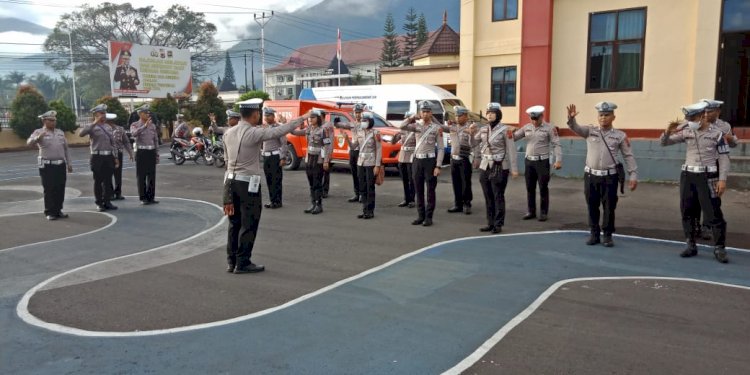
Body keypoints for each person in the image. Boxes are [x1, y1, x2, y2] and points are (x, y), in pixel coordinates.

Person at [222, 98, 307, 273]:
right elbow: (282, 130)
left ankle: (231, 261)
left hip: (230, 181)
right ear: (254, 115)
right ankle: (243, 262)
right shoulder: (254, 133)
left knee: (234, 223)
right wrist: (303, 117)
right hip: (247, 183)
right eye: (259, 114)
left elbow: (225, 160)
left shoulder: (228, 133)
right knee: (249, 222)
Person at [661, 102, 730, 263]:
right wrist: (667, 132)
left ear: (701, 116)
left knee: (713, 212)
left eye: (692, 118)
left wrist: (722, 179)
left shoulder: (717, 134)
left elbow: (724, 158)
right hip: (688, 175)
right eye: (688, 118)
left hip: (708, 176)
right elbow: (664, 143)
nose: (689, 121)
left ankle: (719, 248)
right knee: (687, 210)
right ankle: (691, 244)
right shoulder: (687, 132)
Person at [566, 102, 638, 247]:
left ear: (613, 117)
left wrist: (633, 175)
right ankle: (594, 233)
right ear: (597, 117)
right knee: (592, 205)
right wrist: (571, 118)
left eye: (606, 115)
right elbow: (575, 128)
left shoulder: (620, 136)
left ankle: (607, 235)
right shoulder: (590, 131)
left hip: (609, 177)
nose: (603, 118)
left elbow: (628, 156)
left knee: (609, 207)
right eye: (601, 115)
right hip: (591, 176)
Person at [471, 102, 517, 234]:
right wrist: (471, 134)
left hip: (499, 166)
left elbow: (511, 150)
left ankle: (498, 223)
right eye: (488, 113)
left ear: (498, 115)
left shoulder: (505, 130)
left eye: (492, 113)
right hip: (485, 166)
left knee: (498, 195)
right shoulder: (483, 129)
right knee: (488, 195)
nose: (490, 115)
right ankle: (490, 222)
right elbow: (474, 143)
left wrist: (514, 169)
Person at [398, 101, 445, 227]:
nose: (425, 114)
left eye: (427, 111)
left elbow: (441, 148)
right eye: (423, 111)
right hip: (417, 160)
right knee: (418, 190)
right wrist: (412, 117)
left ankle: (429, 217)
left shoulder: (436, 128)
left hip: (430, 161)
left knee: (430, 190)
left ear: (431, 113)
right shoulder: (416, 126)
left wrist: (438, 165)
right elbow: (402, 126)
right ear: (420, 113)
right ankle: (420, 216)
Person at [513, 105, 563, 221]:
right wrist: (511, 133)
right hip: (529, 161)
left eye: (536, 119)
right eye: (532, 119)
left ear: (542, 116)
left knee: (543, 187)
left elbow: (556, 144)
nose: (534, 121)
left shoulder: (550, 128)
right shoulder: (526, 127)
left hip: (542, 162)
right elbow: (514, 138)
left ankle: (543, 212)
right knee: (530, 188)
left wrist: (558, 160)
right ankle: (531, 211)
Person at [27, 110, 72, 220]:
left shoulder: (60, 132)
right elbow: (29, 143)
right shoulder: (38, 132)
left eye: (54, 120)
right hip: (47, 166)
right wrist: (38, 138)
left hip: (60, 165)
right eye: (50, 120)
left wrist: (69, 163)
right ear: (44, 121)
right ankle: (50, 212)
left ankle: (58, 210)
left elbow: (66, 149)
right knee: (49, 188)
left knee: (60, 188)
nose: (53, 122)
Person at [290, 109, 332, 214]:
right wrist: (289, 125)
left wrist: (326, 161)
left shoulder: (323, 130)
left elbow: (327, 146)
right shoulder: (309, 129)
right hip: (309, 159)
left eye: (312, 117)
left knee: (317, 182)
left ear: (318, 118)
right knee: (311, 182)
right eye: (309, 117)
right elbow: (295, 132)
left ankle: (318, 205)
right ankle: (313, 203)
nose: (310, 119)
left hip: (318, 159)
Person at [79, 104, 119, 212]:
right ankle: (99, 203)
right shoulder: (91, 127)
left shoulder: (108, 127)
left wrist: (115, 157)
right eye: (101, 113)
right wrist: (94, 123)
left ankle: (107, 201)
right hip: (97, 156)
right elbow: (81, 134)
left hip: (108, 156)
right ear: (95, 115)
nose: (103, 115)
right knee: (98, 181)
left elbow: (113, 143)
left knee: (107, 180)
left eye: (104, 113)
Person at [343, 112, 382, 218]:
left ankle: (370, 211)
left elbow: (379, 149)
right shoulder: (359, 133)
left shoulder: (375, 133)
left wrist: (377, 165)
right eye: (362, 121)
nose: (363, 122)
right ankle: (365, 210)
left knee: (370, 187)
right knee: (362, 186)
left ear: (370, 122)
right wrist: (347, 139)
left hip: (371, 162)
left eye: (365, 121)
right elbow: (353, 146)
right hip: (361, 162)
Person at [440, 106, 478, 215]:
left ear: (465, 116)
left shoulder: (471, 127)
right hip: (454, 159)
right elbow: (439, 126)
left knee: (466, 183)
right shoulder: (453, 127)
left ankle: (467, 204)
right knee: (456, 183)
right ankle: (458, 204)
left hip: (465, 159)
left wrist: (476, 157)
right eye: (456, 115)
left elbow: (475, 144)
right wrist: (432, 117)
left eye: (459, 115)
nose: (457, 118)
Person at [333, 103, 366, 203]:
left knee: (362, 174)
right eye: (356, 112)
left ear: (362, 113)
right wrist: (337, 121)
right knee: (354, 173)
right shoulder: (352, 124)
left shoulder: (365, 124)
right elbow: (341, 125)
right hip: (353, 150)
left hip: (362, 150)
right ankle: (357, 193)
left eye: (359, 112)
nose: (357, 115)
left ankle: (363, 194)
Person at [130, 104, 160, 205]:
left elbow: (155, 140)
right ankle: (143, 198)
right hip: (141, 152)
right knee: (141, 175)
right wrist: (144, 126)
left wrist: (157, 154)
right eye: (146, 113)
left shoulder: (153, 125)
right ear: (140, 114)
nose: (148, 114)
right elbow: (133, 134)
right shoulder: (134, 124)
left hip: (151, 152)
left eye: (148, 113)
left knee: (151, 176)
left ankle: (151, 197)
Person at [261, 107, 288, 209]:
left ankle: (277, 201)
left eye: (268, 115)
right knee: (269, 180)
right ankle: (272, 200)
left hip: (275, 156)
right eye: (265, 116)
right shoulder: (264, 128)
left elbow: (283, 143)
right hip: (266, 157)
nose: (266, 117)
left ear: (273, 116)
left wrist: (283, 157)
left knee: (276, 180)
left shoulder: (278, 128)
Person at [390, 111, 416, 208]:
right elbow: (393, 142)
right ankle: (406, 199)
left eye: (407, 118)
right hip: (402, 156)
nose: (405, 120)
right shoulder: (403, 130)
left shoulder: (416, 128)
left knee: (411, 179)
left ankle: (412, 200)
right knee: (404, 179)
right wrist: (395, 136)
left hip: (411, 156)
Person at [107, 113, 133, 200]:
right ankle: (110, 193)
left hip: (118, 153)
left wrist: (130, 152)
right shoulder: (103, 129)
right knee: (108, 174)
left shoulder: (120, 129)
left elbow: (126, 141)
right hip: (108, 154)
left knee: (117, 174)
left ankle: (118, 193)